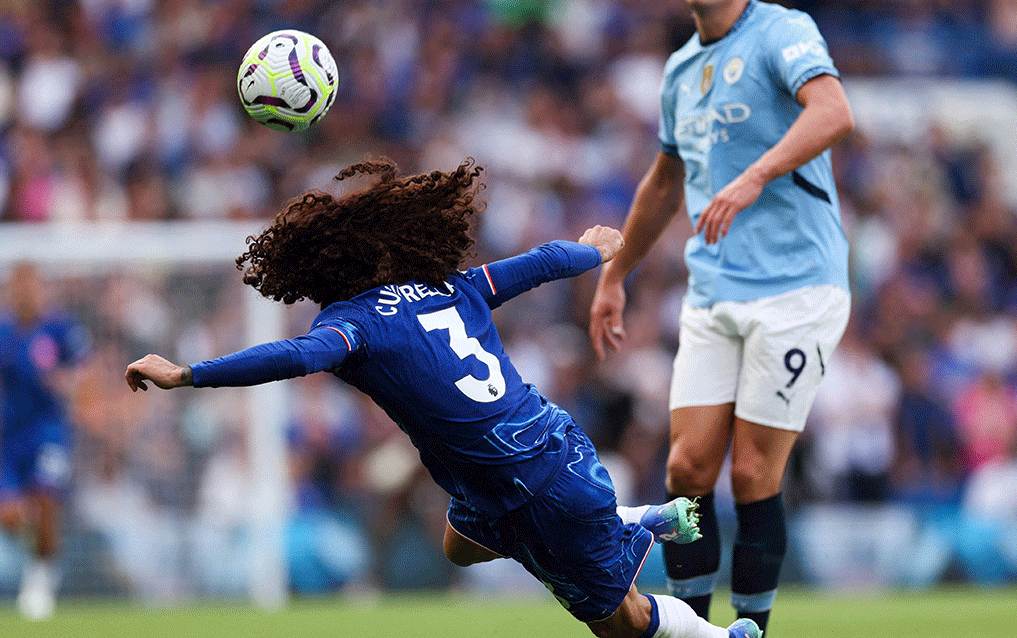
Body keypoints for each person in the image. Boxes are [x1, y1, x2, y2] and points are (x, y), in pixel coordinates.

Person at [125, 158, 761, 638]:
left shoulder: (351, 326)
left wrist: (189, 374)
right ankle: (631, 520)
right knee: (460, 546)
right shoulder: (451, 286)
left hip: (526, 479)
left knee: (621, 622)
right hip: (536, 452)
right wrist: (590, 251)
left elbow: (291, 357)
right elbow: (536, 263)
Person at [588, 0, 854, 634]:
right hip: (714, 291)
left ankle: (756, 628)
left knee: (752, 474)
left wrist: (754, 175)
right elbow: (663, 182)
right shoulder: (679, 69)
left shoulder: (783, 31)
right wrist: (616, 274)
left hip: (798, 287)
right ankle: (697, 629)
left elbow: (833, 111)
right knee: (685, 470)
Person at [0, 262, 90, 620]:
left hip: (48, 431)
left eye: (33, 286)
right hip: (9, 436)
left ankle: (41, 578)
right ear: (12, 291)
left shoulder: (60, 328)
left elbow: (86, 369)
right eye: (20, 287)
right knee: (5, 516)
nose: (27, 294)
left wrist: (67, 383)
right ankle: (39, 547)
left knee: (47, 498)